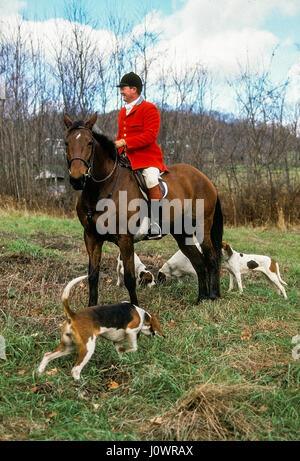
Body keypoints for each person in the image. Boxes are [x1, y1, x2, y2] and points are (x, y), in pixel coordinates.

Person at [115, 72, 167, 238]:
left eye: (124, 88)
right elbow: (119, 137)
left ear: (134, 89)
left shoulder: (149, 108)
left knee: (151, 179)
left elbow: (150, 135)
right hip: (126, 158)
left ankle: (156, 224)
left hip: (147, 158)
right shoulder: (123, 112)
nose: (121, 92)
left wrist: (125, 142)